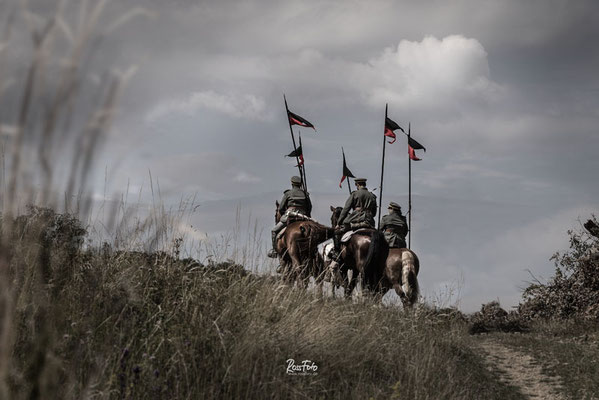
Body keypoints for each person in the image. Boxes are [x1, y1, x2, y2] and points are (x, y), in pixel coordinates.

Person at [330, 177, 377, 259]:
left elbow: (345, 209)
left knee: (336, 233)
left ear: (357, 184)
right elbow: (374, 213)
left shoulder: (355, 194)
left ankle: (336, 253)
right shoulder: (372, 196)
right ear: (364, 184)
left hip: (356, 221)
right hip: (369, 222)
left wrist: (339, 223)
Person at [267, 176, 312, 258]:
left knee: (273, 231)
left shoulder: (288, 194)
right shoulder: (305, 194)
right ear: (300, 184)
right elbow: (309, 207)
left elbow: (280, 208)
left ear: (292, 184)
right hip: (303, 217)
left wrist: (283, 213)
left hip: (290, 217)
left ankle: (274, 250)